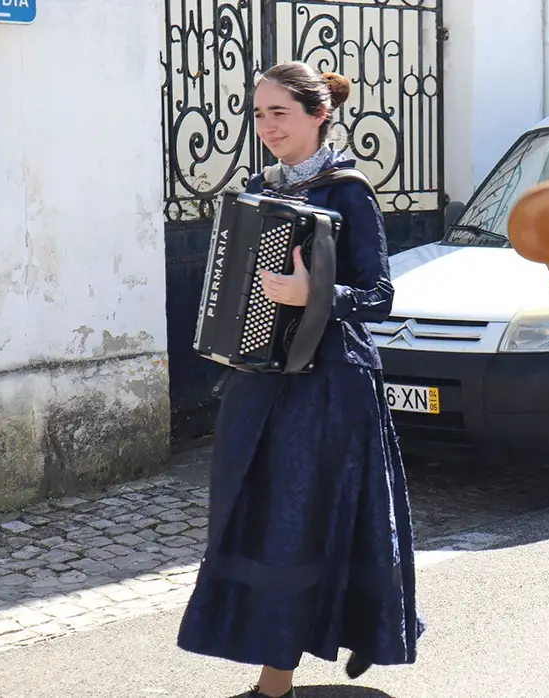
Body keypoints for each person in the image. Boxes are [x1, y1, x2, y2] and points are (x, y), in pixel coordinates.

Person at [176, 62, 422, 698]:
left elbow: (379, 296)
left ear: (319, 115)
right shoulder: (260, 187)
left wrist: (319, 293)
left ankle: (275, 682)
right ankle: (347, 634)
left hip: (330, 385)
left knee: (303, 522)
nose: (265, 126)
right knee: (250, 512)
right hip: (261, 382)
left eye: (278, 112)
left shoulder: (348, 190)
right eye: (258, 114)